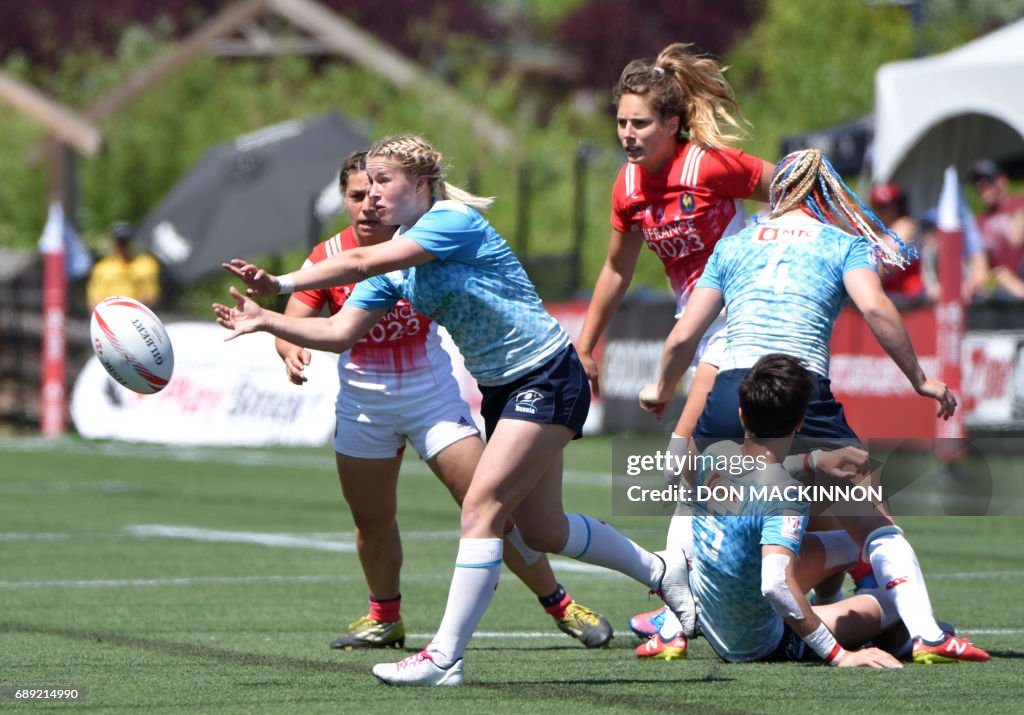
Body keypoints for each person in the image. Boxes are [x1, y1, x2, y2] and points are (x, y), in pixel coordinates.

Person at [214, 133, 696, 687]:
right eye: (366, 185)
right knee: (543, 528)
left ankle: (444, 657)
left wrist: (281, 282)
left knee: (481, 509)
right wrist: (267, 319)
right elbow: (340, 329)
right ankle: (662, 570)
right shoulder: (394, 265)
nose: (371, 196)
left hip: (546, 373)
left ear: (420, 184)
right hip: (502, 390)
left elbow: (363, 257)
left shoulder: (450, 221)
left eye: (383, 182)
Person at [639, 148, 989, 663]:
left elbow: (683, 334)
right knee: (873, 521)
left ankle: (674, 621)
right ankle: (925, 634)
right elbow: (875, 306)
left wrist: (661, 386)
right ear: (828, 192)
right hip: (802, 393)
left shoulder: (733, 246)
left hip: (734, 392)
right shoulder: (842, 242)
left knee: (704, 504)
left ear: (776, 189)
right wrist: (919, 378)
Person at [275, 150, 612, 651]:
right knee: (371, 520)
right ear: (343, 200)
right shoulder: (327, 258)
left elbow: (367, 267)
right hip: (364, 404)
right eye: (356, 195)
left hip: (432, 395)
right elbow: (301, 316)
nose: (369, 203)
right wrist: (289, 347)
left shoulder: (421, 238)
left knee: (490, 505)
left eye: (377, 191)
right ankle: (385, 617)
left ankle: (559, 604)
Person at [573, 43, 774, 658]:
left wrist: (804, 246)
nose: (628, 135)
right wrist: (586, 345)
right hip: (702, 323)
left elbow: (790, 184)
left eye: (640, 124)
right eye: (621, 123)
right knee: (747, 459)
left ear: (672, 124)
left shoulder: (709, 166)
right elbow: (614, 272)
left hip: (747, 315)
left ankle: (677, 605)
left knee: (687, 455)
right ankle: (847, 564)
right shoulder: (629, 185)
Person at [687, 353, 902, 667]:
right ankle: (898, 629)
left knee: (846, 542)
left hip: (718, 618)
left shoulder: (715, 455)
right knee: (896, 602)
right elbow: (775, 585)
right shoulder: (787, 495)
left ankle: (835, 599)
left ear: (741, 414)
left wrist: (812, 461)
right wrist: (840, 656)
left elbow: (759, 470)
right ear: (800, 423)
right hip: (762, 643)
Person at [971, 159, 1024, 300]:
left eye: (987, 182)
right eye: (978, 185)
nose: (982, 188)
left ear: (1002, 181)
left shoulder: (1019, 203)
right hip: (998, 292)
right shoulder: (978, 222)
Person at [869, 183, 927, 307]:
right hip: (888, 298)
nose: (885, 212)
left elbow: (886, 261)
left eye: (889, 206)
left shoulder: (906, 226)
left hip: (911, 301)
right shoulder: (876, 231)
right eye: (879, 206)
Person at [85, 221, 161, 309]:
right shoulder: (102, 267)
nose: (121, 246)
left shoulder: (146, 264)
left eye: (125, 241)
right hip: (110, 313)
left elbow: (151, 296)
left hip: (137, 313)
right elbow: (95, 299)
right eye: (118, 241)